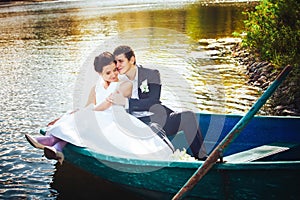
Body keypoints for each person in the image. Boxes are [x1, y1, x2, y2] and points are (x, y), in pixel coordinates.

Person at [25, 51, 174, 164]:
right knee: (77, 115)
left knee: (84, 118)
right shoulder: (96, 87)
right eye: (108, 73)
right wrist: (68, 115)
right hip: (100, 117)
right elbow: (89, 105)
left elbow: (105, 105)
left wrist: (83, 113)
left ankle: (52, 142)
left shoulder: (124, 84)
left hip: (115, 119)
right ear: (99, 73)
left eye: (115, 70)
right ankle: (55, 147)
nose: (113, 74)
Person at [113, 45, 208, 160]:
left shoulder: (151, 74)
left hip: (158, 118)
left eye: (120, 61)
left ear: (132, 59)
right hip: (137, 124)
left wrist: (127, 102)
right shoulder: (117, 81)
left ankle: (203, 159)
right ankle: (169, 160)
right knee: (154, 129)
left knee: (188, 116)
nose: (117, 66)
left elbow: (153, 101)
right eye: (115, 62)